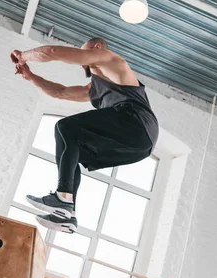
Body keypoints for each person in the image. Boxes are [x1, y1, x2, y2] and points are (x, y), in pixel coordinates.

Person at [10, 38, 159, 234]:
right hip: (139, 145)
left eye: (84, 54)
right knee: (73, 152)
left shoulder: (110, 59)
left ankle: (62, 197)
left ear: (96, 48)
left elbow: (54, 51)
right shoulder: (97, 88)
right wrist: (30, 76)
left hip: (137, 124)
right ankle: (67, 214)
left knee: (65, 127)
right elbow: (61, 92)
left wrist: (23, 56)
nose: (82, 64)